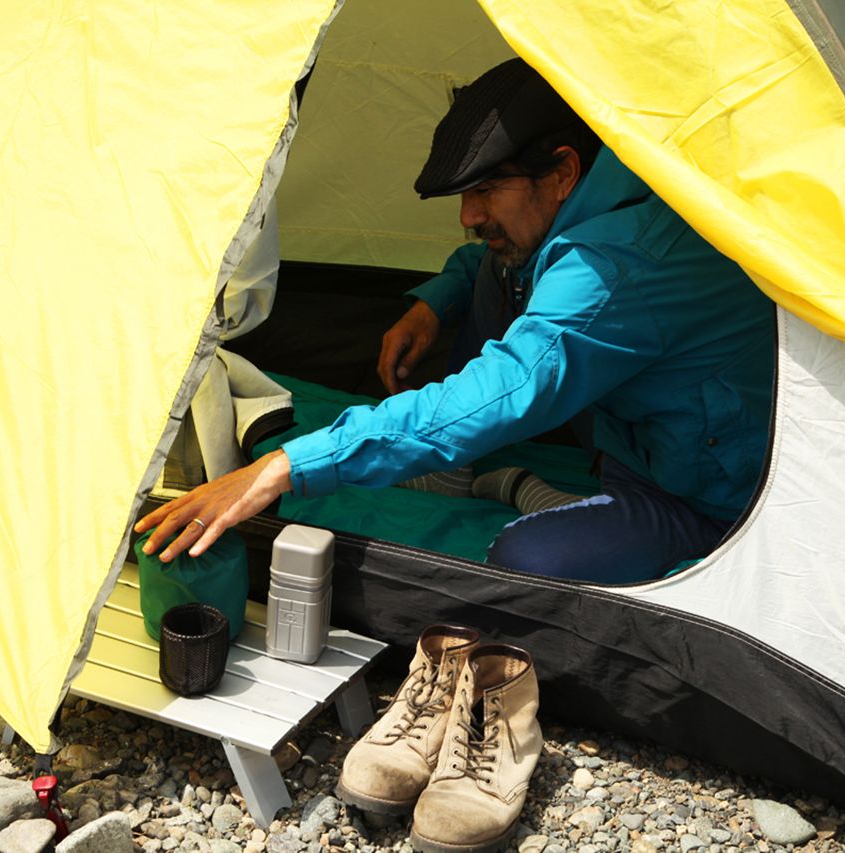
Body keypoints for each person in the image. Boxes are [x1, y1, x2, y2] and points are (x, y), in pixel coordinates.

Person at [137, 58, 776, 584]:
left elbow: (501, 388)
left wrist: (283, 465)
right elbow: (485, 264)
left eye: (485, 191)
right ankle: (484, 473)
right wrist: (433, 300)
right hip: (638, 438)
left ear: (562, 173)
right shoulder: (607, 191)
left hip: (704, 495)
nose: (468, 216)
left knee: (521, 565)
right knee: (498, 268)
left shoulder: (617, 266)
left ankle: (524, 487)